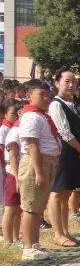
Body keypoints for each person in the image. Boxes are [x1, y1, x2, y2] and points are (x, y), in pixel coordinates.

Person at [48, 70, 80, 248]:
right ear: (57, 83)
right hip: (63, 152)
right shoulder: (56, 105)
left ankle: (65, 231)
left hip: (74, 151)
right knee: (58, 193)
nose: (72, 85)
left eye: (74, 81)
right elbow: (64, 132)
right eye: (67, 81)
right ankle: (57, 233)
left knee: (66, 193)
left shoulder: (72, 104)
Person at [18, 81, 62, 261]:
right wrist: (39, 172)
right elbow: (32, 145)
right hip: (36, 163)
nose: (46, 98)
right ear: (29, 95)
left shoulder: (42, 115)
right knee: (30, 207)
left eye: (48, 95)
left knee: (38, 207)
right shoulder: (31, 117)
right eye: (41, 95)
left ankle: (35, 244)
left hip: (47, 161)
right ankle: (28, 247)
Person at [1, 100, 22, 247]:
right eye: (12, 114)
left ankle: (16, 237)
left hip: (19, 170)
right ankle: (8, 240)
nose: (15, 116)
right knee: (10, 207)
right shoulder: (7, 130)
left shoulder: (19, 128)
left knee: (18, 208)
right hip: (11, 171)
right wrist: (15, 175)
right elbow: (11, 154)